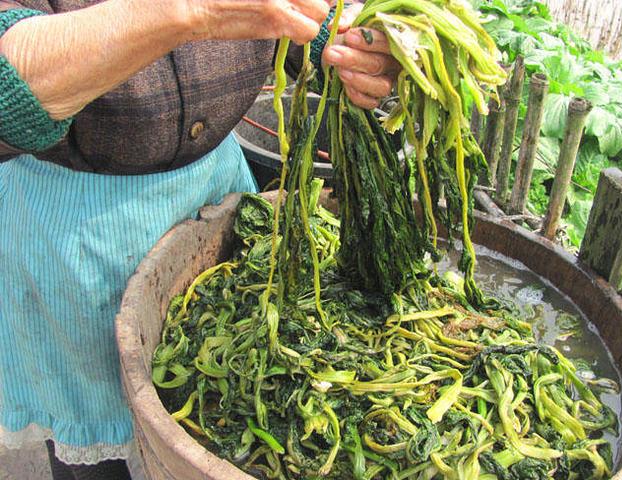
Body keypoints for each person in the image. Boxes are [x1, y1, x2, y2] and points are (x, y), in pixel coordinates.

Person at [0, 0, 399, 478]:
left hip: (213, 189)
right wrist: (188, 11)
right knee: (97, 447)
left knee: (214, 408)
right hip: (76, 227)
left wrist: (346, 45)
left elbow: (304, 18)